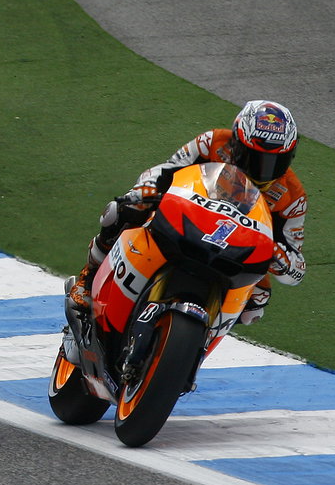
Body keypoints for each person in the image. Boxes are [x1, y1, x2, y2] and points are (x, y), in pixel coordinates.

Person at [68, 100, 307, 324]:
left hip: (237, 246)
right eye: (253, 158)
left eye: (275, 161)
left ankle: (199, 341)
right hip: (187, 218)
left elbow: (297, 270)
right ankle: (88, 278)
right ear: (236, 143)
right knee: (124, 209)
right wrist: (147, 187)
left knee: (257, 301)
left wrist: (281, 259)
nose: (262, 170)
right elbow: (166, 169)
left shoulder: (292, 196)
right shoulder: (212, 142)